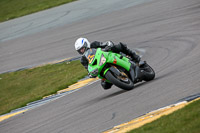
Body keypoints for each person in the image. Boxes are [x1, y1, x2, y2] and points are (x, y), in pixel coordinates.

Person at [74, 37, 141, 90]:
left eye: (82, 48)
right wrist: (90, 73)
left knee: (119, 46)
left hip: (107, 56)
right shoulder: (83, 60)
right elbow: (88, 68)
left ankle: (134, 56)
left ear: (86, 44)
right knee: (105, 85)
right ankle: (116, 79)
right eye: (80, 50)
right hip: (100, 67)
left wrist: (108, 45)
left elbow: (104, 44)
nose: (82, 51)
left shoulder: (94, 44)